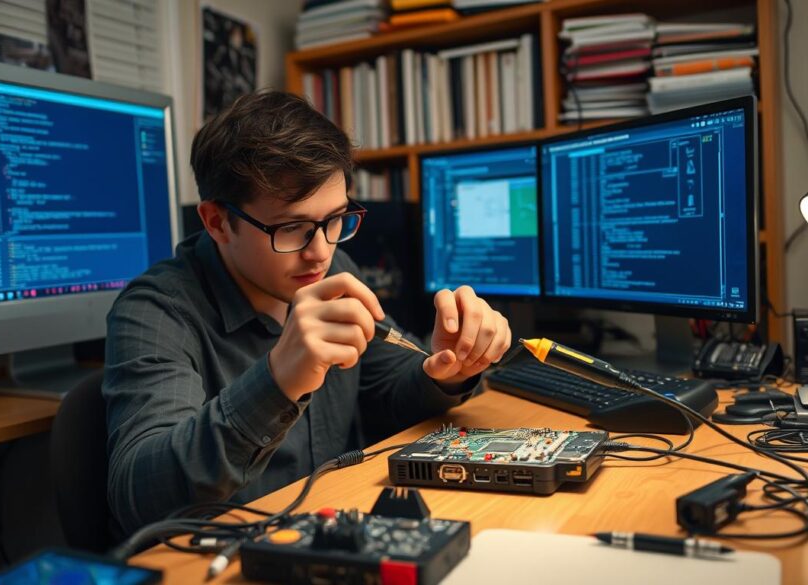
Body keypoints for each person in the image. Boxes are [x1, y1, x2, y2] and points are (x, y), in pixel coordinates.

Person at [103, 90, 511, 537]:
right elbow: (139, 496)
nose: (320, 251)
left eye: (335, 220)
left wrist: (449, 370)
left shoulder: (326, 267)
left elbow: (392, 386)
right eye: (292, 227)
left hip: (335, 532)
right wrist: (277, 382)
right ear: (217, 222)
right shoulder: (155, 312)